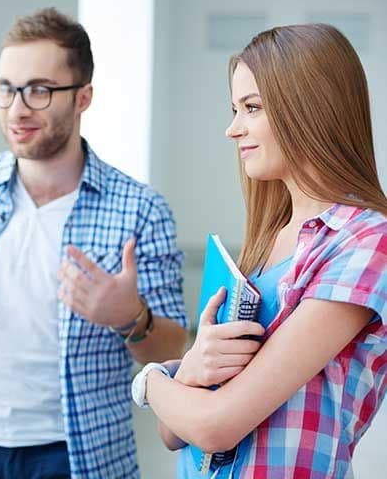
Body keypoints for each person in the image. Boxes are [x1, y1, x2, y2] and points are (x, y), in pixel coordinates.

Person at [0, 7, 187, 479]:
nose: (17, 109)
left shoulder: (140, 209)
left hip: (78, 455)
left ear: (83, 97)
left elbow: (171, 349)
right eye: (6, 89)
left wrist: (131, 317)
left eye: (39, 90)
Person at [134, 23, 387, 478]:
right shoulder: (265, 244)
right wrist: (189, 370)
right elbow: (174, 435)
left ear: (310, 108)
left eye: (251, 108)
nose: (233, 130)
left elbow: (215, 426)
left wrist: (150, 380)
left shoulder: (367, 242)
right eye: (235, 109)